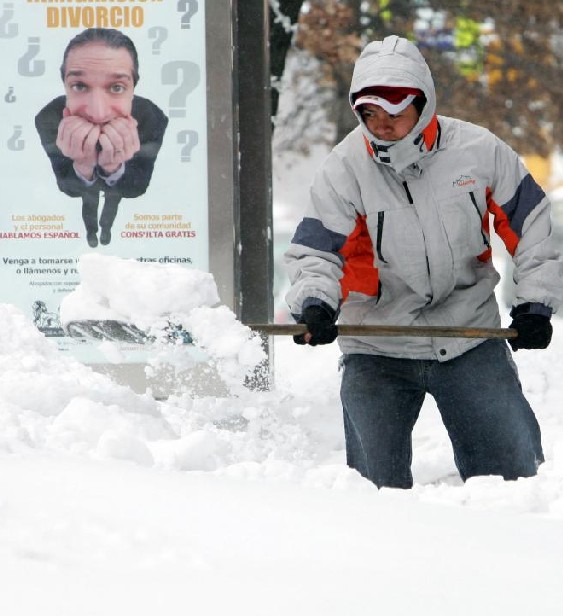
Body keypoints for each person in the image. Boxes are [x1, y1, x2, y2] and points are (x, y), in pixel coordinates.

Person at [284, 35, 563, 489]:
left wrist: (535, 303)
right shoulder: (345, 169)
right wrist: (316, 302)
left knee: (514, 482)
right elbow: (318, 250)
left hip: (469, 335)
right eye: (372, 114)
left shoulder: (478, 151)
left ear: (424, 103)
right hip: (376, 343)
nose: (385, 125)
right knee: (372, 490)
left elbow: (531, 224)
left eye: (396, 113)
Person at [35, 28, 168, 248]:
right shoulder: (48, 118)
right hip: (84, 189)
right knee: (89, 200)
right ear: (65, 85)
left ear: (133, 86)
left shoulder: (151, 117)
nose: (98, 113)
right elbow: (68, 188)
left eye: (117, 87)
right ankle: (91, 234)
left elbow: (137, 188)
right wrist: (83, 167)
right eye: (79, 86)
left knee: (112, 199)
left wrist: (114, 169)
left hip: (118, 186)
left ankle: (106, 230)